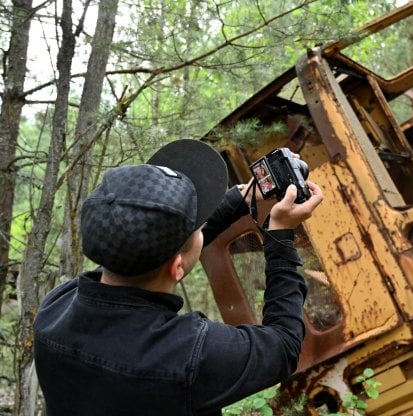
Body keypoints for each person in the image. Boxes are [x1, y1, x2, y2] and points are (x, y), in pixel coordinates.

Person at [33, 139, 323, 416]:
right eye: (198, 227)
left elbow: (148, 251)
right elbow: (283, 347)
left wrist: (242, 196)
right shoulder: (189, 356)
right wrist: (280, 234)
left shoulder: (54, 311)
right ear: (177, 268)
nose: (202, 227)